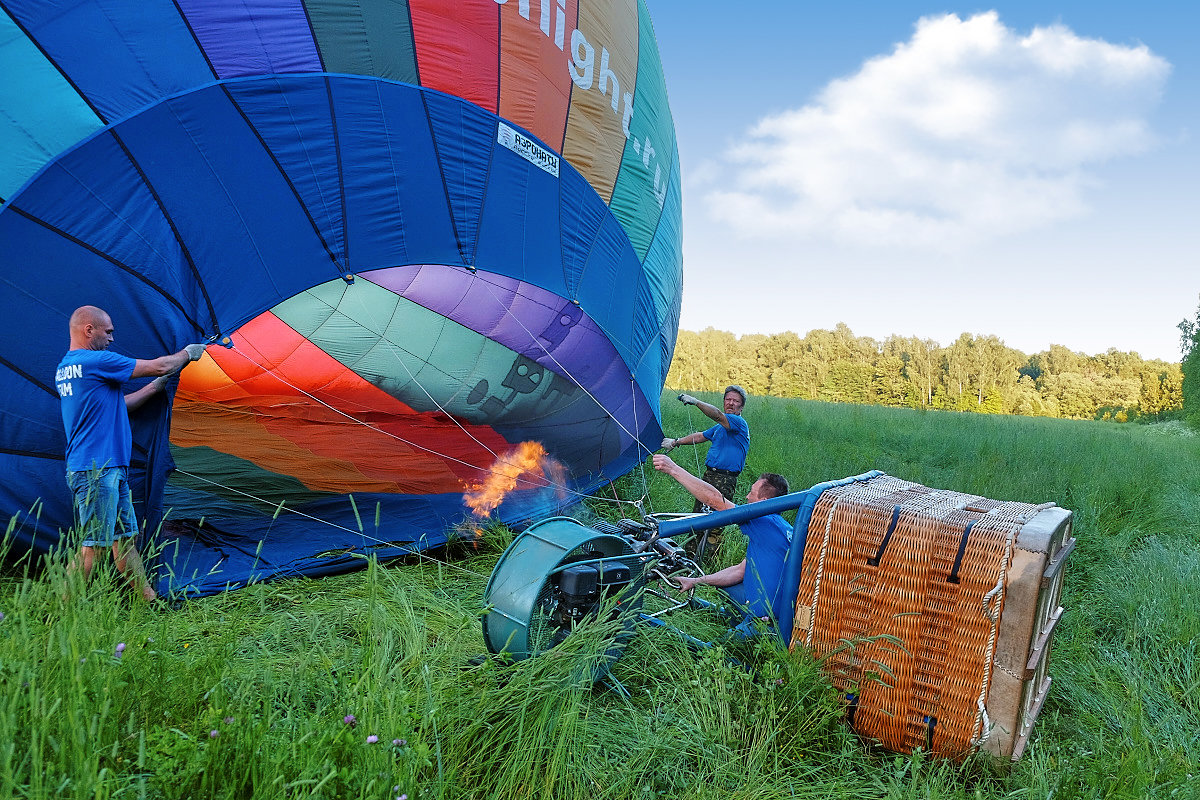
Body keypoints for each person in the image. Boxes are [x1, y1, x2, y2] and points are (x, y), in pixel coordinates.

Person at [55, 305, 206, 601]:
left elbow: (116, 406)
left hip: (107, 468)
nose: (112, 338)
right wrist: (188, 353)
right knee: (94, 547)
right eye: (108, 331)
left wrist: (154, 388)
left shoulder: (68, 366)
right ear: (89, 330)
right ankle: (59, 611)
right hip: (96, 470)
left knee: (124, 542)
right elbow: (162, 365)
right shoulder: (96, 360)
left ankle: (148, 602)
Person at [652, 454, 791, 628]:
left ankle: (748, 628)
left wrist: (672, 468)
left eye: (752, 492)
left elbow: (715, 501)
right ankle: (734, 617)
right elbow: (740, 571)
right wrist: (695, 581)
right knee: (728, 587)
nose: (747, 496)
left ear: (763, 502)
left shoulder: (763, 520)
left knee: (715, 651)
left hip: (766, 620)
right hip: (774, 609)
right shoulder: (778, 528)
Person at [659, 385, 750, 562]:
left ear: (741, 406)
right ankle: (689, 559)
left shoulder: (738, 422)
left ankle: (707, 564)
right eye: (728, 399)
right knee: (699, 517)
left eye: (735, 401)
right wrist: (675, 442)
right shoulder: (720, 427)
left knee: (714, 522)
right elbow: (701, 436)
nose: (731, 403)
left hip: (724, 479)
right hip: (710, 476)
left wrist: (696, 402)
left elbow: (716, 414)